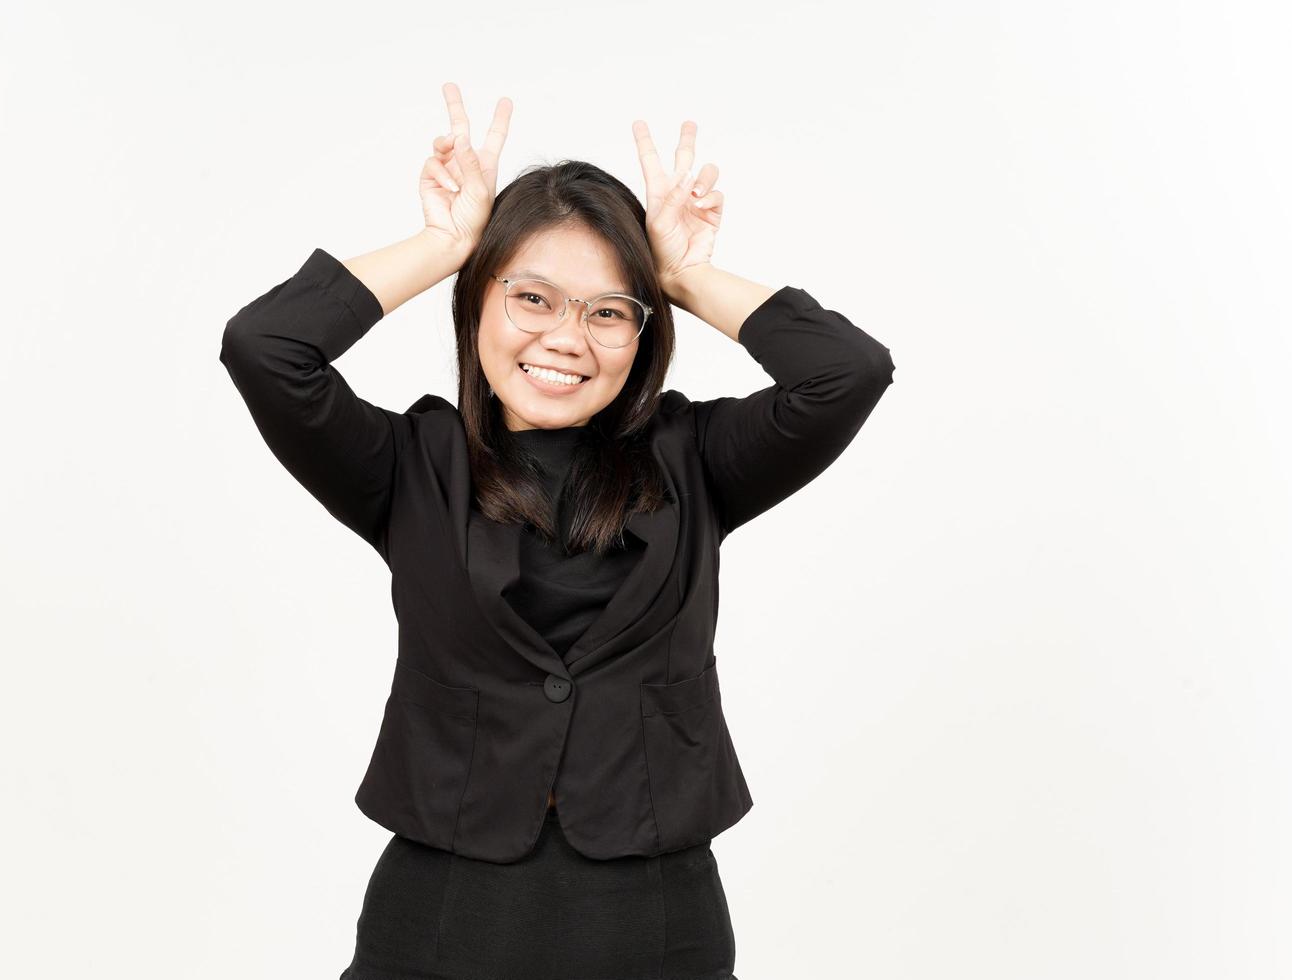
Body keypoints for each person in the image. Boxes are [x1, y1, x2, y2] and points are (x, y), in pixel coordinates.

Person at [219, 82, 895, 980]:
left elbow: (848, 372)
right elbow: (265, 347)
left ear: (641, 333)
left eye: (608, 311)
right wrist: (444, 245)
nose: (567, 336)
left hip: (657, 924)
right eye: (532, 298)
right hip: (442, 918)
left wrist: (684, 273)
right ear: (479, 306)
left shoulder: (700, 459)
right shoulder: (407, 466)